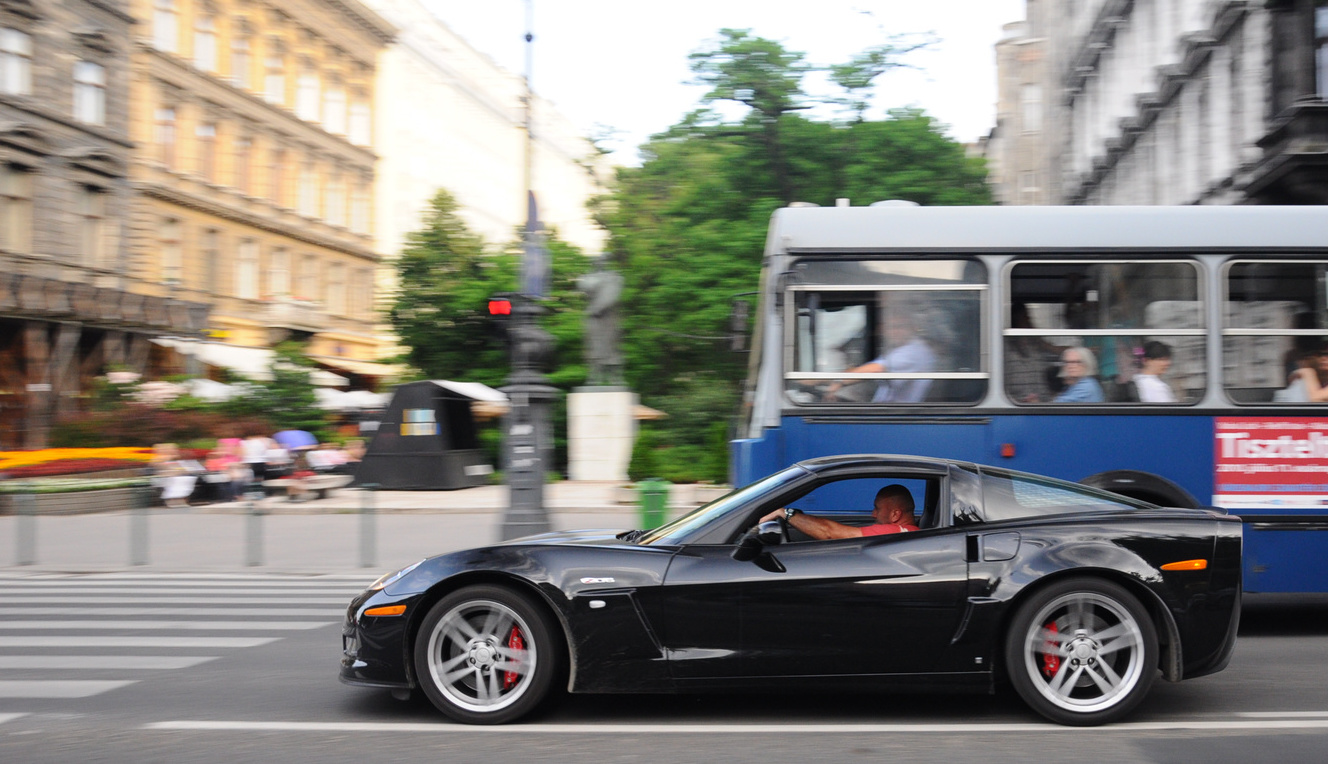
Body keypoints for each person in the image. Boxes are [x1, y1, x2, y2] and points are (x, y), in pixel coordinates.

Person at [829, 307, 936, 403]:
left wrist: (839, 381)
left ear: (913, 328)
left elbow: (876, 369)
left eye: (900, 327)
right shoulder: (897, 349)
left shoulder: (913, 352)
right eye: (890, 327)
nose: (894, 332)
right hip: (887, 413)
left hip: (900, 417)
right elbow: (866, 369)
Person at [760, 484, 918, 540]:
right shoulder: (906, 532)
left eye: (877, 508)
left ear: (895, 515)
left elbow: (829, 533)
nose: (873, 514)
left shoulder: (895, 531)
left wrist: (785, 513)